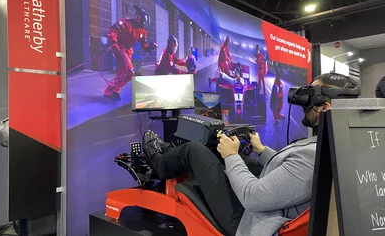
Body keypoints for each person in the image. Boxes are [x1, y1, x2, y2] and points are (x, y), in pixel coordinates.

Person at [142, 73, 359, 236]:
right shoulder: (336, 145)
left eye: (311, 96)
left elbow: (253, 198)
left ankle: (158, 163)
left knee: (195, 150)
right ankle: (170, 154)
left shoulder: (311, 157)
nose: (305, 104)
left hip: (251, 223)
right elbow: (292, 174)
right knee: (216, 149)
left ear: (324, 107)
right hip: (273, 209)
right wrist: (262, 150)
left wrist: (231, 157)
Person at [103, 5, 157, 101]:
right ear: (137, 17)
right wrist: (114, 43)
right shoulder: (126, 23)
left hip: (128, 51)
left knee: (122, 72)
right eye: (139, 18)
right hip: (119, 47)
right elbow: (112, 30)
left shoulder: (143, 31)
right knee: (129, 72)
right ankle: (110, 90)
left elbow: (144, 46)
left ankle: (114, 91)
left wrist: (150, 47)